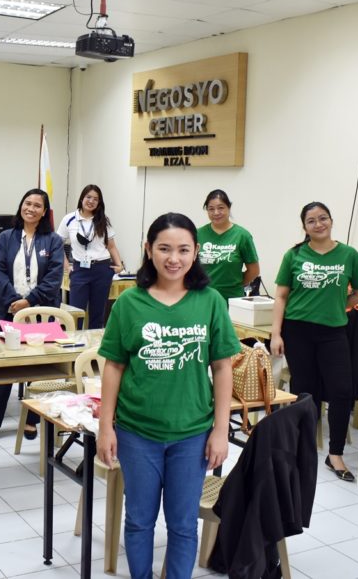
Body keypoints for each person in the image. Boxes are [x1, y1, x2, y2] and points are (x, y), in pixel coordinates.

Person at [97, 212, 239, 579]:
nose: (173, 258)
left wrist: (221, 430)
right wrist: (106, 427)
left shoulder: (210, 301)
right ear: (148, 250)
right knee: (140, 521)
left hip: (192, 433)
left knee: (182, 524)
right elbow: (113, 366)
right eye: (164, 248)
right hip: (136, 432)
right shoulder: (129, 304)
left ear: (195, 252)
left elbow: (222, 367)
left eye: (183, 249)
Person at [270, 201, 358, 483]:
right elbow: (281, 297)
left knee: (342, 390)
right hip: (297, 330)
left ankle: (335, 454)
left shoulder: (349, 255)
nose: (318, 224)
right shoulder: (295, 255)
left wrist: (339, 305)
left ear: (331, 221)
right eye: (311, 221)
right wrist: (276, 334)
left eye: (322, 218)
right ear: (305, 227)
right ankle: (302, 450)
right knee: (305, 391)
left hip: (334, 332)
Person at [0, 188, 63, 441]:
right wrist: (14, 301)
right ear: (21, 206)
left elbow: (54, 278)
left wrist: (29, 301)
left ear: (44, 212)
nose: (31, 208)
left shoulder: (53, 241)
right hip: (10, 309)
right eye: (27, 203)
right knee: (4, 364)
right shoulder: (6, 238)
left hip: (41, 312)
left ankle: (32, 419)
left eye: (37, 205)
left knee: (37, 365)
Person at [57, 184, 124, 328]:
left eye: (96, 199)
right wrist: (67, 266)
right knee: (76, 313)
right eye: (88, 197)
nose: (91, 201)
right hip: (79, 270)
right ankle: (75, 347)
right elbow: (57, 245)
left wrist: (119, 266)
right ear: (82, 198)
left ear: (99, 203)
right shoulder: (69, 219)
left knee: (98, 315)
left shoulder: (103, 220)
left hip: (102, 269)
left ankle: (94, 348)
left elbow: (111, 245)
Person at [196, 189, 260, 300]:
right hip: (202, 297)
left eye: (221, 208)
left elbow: (254, 270)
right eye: (211, 209)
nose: (216, 213)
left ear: (229, 208)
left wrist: (235, 285)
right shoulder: (197, 234)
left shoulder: (242, 235)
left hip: (232, 299)